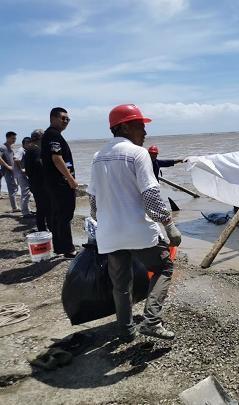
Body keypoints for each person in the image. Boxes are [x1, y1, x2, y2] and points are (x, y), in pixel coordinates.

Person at [87, 104, 182, 342]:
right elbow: (150, 195)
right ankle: (152, 321)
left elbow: (93, 199)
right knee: (164, 267)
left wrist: (104, 221)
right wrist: (168, 223)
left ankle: (126, 330)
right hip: (138, 230)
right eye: (140, 126)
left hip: (109, 234)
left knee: (120, 285)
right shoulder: (138, 154)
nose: (145, 132)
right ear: (125, 127)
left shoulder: (97, 157)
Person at [41, 107, 77, 258]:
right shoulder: (53, 135)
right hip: (60, 183)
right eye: (63, 118)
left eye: (68, 119)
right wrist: (71, 179)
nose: (66, 121)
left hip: (56, 183)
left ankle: (60, 247)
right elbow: (57, 159)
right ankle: (68, 249)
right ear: (53, 118)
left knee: (59, 215)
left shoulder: (52, 135)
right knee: (65, 215)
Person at [23, 130, 51, 231]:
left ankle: (42, 228)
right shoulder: (36, 150)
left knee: (40, 207)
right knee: (45, 207)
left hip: (34, 183)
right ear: (40, 138)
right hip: (40, 184)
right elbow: (39, 164)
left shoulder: (29, 150)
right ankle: (45, 228)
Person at [0, 131, 20, 213]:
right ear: (7, 138)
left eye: (15, 138)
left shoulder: (10, 147)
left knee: (14, 188)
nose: (14, 140)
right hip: (7, 171)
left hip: (11, 171)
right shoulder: (3, 147)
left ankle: (14, 207)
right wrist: (7, 166)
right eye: (13, 138)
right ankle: (14, 208)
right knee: (12, 188)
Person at [13, 137, 33, 218]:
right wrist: (21, 169)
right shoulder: (21, 150)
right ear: (23, 144)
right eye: (27, 143)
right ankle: (25, 213)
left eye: (30, 143)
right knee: (26, 193)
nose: (29, 145)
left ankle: (26, 210)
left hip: (22, 174)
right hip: (21, 175)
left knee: (26, 193)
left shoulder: (25, 150)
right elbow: (16, 159)